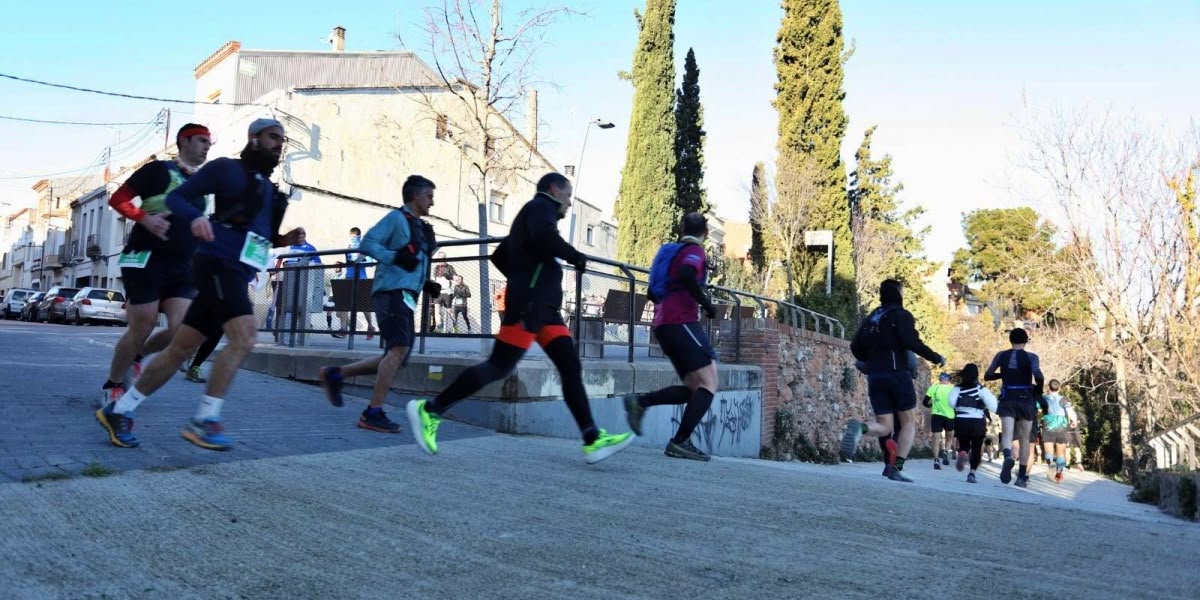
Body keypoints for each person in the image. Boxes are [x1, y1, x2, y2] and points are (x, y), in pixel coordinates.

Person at [96, 118, 303, 450]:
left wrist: (282, 239)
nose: (279, 143)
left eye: (282, 138)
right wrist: (195, 218)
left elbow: (258, 234)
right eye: (272, 137)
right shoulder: (225, 169)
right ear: (253, 139)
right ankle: (204, 420)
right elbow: (179, 198)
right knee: (245, 337)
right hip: (217, 265)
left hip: (235, 268)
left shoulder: (266, 188)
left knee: (180, 346)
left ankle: (119, 410)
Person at [405, 172, 635, 463]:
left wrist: (525, 274)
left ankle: (592, 438)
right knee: (499, 366)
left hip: (544, 310)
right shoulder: (541, 207)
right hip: (529, 306)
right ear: (554, 190)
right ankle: (431, 410)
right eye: (567, 196)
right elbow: (543, 237)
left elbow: (500, 256)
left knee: (569, 365)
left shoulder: (533, 213)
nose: (568, 203)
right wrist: (574, 256)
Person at [98, 123, 212, 409]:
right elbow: (118, 199)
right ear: (183, 141)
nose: (207, 146)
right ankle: (113, 384)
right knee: (144, 323)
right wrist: (145, 218)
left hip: (183, 266)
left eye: (209, 142)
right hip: (145, 258)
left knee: (183, 330)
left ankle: (139, 356)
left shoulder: (203, 186)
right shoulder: (156, 170)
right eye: (201, 141)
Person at [316, 176, 441, 433]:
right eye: (429, 196)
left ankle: (335, 374)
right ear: (415, 196)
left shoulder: (419, 226)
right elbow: (368, 243)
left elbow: (410, 263)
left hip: (406, 294)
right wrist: (394, 256)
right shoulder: (396, 218)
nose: (432, 201)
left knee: (398, 355)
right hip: (390, 294)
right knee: (398, 350)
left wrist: (424, 283)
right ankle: (372, 412)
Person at [623, 212, 719, 461]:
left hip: (664, 324)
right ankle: (680, 442)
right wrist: (706, 304)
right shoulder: (695, 252)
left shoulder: (672, 252)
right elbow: (688, 275)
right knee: (710, 383)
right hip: (681, 322)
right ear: (705, 234)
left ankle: (640, 402)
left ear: (682, 229)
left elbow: (653, 293)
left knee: (694, 387)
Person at [840, 279, 946, 482]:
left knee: (885, 426)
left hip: (875, 376)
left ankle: (861, 429)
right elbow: (910, 342)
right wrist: (936, 357)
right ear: (898, 293)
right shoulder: (901, 315)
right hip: (897, 375)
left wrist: (868, 360)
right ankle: (896, 468)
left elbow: (855, 346)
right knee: (908, 423)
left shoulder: (873, 316)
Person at [985, 327, 1046, 488]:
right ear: (1026, 341)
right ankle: (1021, 477)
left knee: (1006, 434)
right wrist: (1038, 388)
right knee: (1025, 439)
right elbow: (1038, 375)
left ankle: (1007, 457)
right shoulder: (1032, 357)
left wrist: (1003, 374)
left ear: (1010, 340)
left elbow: (988, 375)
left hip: (1008, 397)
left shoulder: (1001, 355)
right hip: (1026, 398)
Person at [947, 364, 998, 483]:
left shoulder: (957, 389)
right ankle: (972, 473)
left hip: (961, 421)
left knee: (964, 444)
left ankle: (962, 452)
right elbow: (993, 406)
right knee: (976, 448)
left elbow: (951, 403)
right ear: (977, 375)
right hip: (977, 422)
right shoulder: (981, 389)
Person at [336, 227, 376, 339]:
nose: (353, 239)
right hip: (349, 277)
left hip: (361, 278)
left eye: (355, 237)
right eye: (351, 237)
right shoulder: (348, 247)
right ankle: (343, 329)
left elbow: (371, 262)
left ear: (359, 236)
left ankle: (370, 326)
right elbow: (348, 262)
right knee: (343, 303)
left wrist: (360, 260)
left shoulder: (364, 247)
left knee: (363, 305)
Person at [1039, 379, 1071, 483]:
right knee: (1061, 454)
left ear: (1049, 387)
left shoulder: (1044, 399)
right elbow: (1070, 412)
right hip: (1062, 426)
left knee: (1049, 451)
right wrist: (1074, 421)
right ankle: (1058, 473)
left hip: (1048, 425)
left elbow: (1038, 410)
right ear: (1060, 387)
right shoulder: (1064, 399)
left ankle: (1051, 464)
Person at [924, 372, 956, 469]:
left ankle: (936, 460)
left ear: (939, 379)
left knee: (936, 439)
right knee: (949, 437)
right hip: (950, 416)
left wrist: (931, 405)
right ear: (948, 380)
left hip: (936, 415)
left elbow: (925, 402)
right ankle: (946, 451)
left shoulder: (933, 388)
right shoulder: (953, 389)